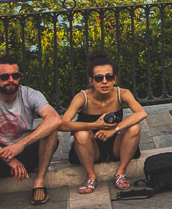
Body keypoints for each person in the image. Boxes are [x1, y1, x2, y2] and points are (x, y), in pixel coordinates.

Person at [0, 55, 61, 209]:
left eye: (15, 76)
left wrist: (20, 145)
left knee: (50, 131)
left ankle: (39, 182)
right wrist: (7, 156)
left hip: (26, 154)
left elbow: (55, 119)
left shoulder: (30, 94)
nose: (11, 80)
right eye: (4, 77)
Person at [59, 50, 147, 193]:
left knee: (134, 127)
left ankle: (121, 172)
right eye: (99, 78)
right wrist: (94, 125)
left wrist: (114, 130)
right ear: (91, 81)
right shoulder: (82, 97)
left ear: (114, 79)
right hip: (91, 147)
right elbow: (63, 124)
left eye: (109, 77)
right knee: (80, 134)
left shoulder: (122, 93)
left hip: (115, 145)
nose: (104, 82)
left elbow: (141, 113)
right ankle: (91, 176)